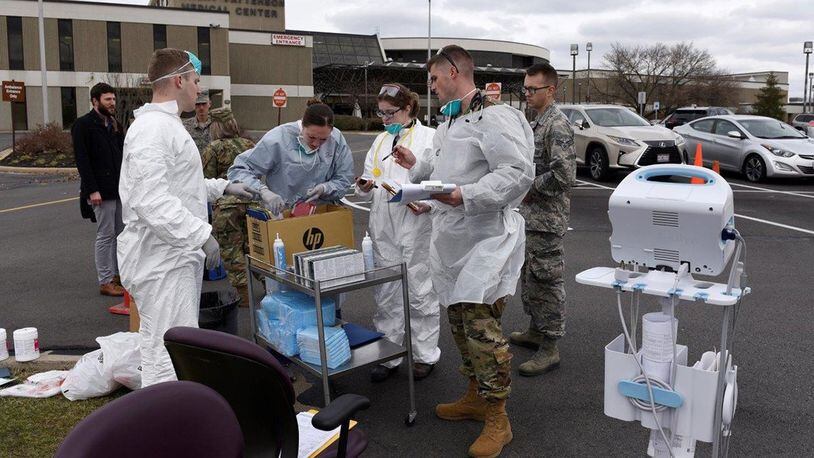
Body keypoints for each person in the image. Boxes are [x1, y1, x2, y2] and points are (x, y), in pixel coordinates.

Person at [393, 45, 533, 458]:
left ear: (453, 72)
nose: (431, 87)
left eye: (434, 79)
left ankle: (498, 417)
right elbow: (441, 171)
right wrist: (415, 165)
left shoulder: (495, 117)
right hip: (453, 240)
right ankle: (475, 395)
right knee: (458, 320)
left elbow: (517, 173)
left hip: (487, 240)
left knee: (480, 325)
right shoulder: (451, 122)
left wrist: (466, 195)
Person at [117, 48, 257, 387]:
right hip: (162, 259)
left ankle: (162, 413)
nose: (198, 89)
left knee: (159, 342)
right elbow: (151, 201)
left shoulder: (166, 125)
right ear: (178, 80)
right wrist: (200, 236)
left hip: (170, 256)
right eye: (195, 80)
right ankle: (169, 420)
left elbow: (182, 187)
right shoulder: (153, 129)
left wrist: (224, 187)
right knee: (171, 345)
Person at [355, 83, 440, 382]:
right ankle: (389, 354)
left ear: (408, 109)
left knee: (419, 289)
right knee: (386, 290)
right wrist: (364, 185)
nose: (385, 119)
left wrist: (428, 205)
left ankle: (424, 354)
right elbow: (370, 178)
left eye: (390, 113)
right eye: (381, 113)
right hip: (384, 225)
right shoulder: (379, 142)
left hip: (416, 224)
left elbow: (442, 181)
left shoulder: (430, 138)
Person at [511, 63, 576, 377]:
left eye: (532, 89)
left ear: (550, 90)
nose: (527, 94)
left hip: (547, 219)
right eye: (525, 88)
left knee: (547, 280)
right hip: (532, 218)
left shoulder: (557, 125)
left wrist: (529, 187)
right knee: (531, 277)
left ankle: (550, 346)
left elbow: (564, 176)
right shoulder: (536, 121)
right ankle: (536, 329)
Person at [228, 100, 354, 217]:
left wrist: (326, 188)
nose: (316, 144)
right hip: (284, 214)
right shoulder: (278, 139)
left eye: (323, 140)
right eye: (311, 137)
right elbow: (240, 170)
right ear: (302, 125)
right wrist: (263, 191)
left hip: (321, 213)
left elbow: (344, 178)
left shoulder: (336, 140)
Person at [72, 82, 126, 297]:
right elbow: (82, 160)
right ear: (95, 101)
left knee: (121, 233)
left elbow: (122, 156)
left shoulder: (114, 124)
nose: (112, 103)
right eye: (107, 99)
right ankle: (105, 280)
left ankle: (118, 275)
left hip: (118, 189)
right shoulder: (83, 125)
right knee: (106, 234)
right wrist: (92, 190)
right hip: (100, 191)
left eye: (113, 99)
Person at [201, 108, 257, 306]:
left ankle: (244, 296)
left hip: (227, 207)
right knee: (256, 247)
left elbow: (207, 180)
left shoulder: (213, 148)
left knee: (232, 251)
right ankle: (271, 288)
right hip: (252, 201)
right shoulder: (249, 144)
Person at [183, 89, 212, 155]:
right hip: (194, 163)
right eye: (198, 104)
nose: (201, 107)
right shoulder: (186, 126)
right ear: (194, 105)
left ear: (210, 104)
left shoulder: (217, 125)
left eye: (204, 104)